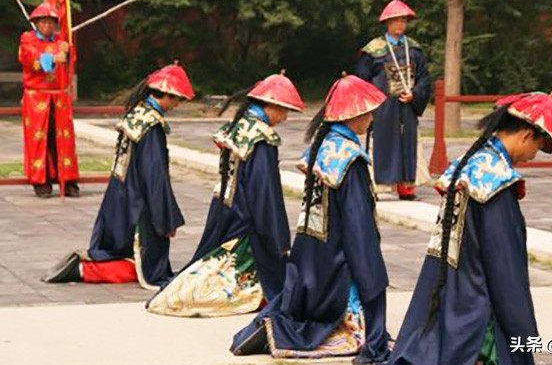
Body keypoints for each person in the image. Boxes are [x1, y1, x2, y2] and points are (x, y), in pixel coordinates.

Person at [387, 93, 552, 365]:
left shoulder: (469, 166)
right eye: (537, 147)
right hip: (477, 312)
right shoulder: (497, 184)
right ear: (527, 135)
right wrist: (523, 329)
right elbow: (505, 268)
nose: (532, 156)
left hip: (450, 300)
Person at [230, 75, 390, 364]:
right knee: (367, 285)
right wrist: (370, 266)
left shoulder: (324, 145)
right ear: (354, 114)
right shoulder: (350, 157)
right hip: (339, 254)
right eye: (367, 112)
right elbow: (356, 221)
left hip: (314, 249)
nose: (370, 118)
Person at [146, 72, 305, 317]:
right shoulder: (261, 138)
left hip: (226, 206)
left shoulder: (239, 127)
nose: (284, 118)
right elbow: (264, 193)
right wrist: (277, 236)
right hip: (247, 218)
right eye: (284, 111)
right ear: (272, 105)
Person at [42, 63, 194, 289]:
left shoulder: (136, 114)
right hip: (138, 203)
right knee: (147, 267)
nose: (176, 104)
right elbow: (155, 178)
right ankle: (84, 269)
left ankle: (86, 266)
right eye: (175, 99)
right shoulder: (151, 127)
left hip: (120, 197)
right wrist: (165, 219)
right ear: (164, 94)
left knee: (121, 252)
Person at [354, 0, 431, 200]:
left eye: (403, 21)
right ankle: (378, 188)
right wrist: (369, 104)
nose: (400, 25)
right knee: (380, 142)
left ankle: (407, 187)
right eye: (396, 20)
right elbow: (362, 80)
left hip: (407, 105)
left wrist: (415, 95)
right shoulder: (373, 50)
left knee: (409, 142)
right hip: (382, 107)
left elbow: (424, 78)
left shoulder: (414, 49)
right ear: (387, 22)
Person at [18, 2, 80, 198]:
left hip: (59, 97)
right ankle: (41, 181)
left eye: (52, 22)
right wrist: (54, 57)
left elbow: (70, 61)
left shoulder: (60, 40)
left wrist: (67, 52)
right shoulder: (28, 38)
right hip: (37, 97)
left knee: (62, 139)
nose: (48, 26)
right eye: (43, 22)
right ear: (36, 23)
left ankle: (67, 179)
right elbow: (31, 59)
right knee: (39, 140)